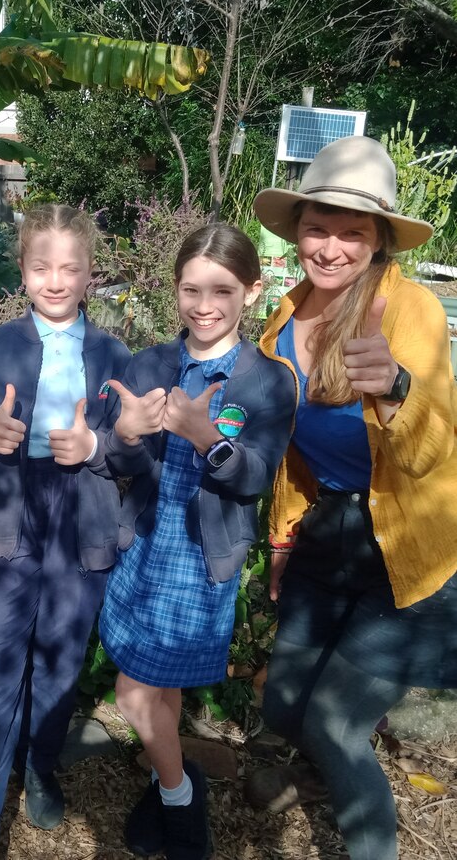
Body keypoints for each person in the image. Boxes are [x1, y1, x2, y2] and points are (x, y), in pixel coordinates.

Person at [247, 134, 457, 860]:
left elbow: (435, 455)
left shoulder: (412, 312)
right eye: (318, 226)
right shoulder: (283, 320)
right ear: (296, 227)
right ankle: (331, 778)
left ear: (378, 242)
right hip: (329, 531)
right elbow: (288, 455)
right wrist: (283, 537)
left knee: (334, 722)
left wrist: (395, 389)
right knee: (281, 703)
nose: (331, 246)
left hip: (409, 547)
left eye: (353, 231)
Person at [0, 204, 137, 860]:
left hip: (81, 519)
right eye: (41, 266)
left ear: (88, 274)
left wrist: (97, 446)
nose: (55, 280)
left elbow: (138, 450)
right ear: (22, 269)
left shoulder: (112, 353)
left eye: (70, 267)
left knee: (59, 655)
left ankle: (40, 763)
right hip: (8, 513)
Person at [98, 223, 296, 860]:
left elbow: (257, 478)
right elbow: (116, 468)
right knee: (148, 688)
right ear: (174, 289)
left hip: (200, 557)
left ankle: (180, 798)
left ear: (253, 291)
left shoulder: (268, 380)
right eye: (190, 289)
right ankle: (176, 783)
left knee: (137, 694)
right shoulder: (151, 363)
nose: (204, 304)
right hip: (144, 547)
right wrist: (125, 436)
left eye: (223, 289)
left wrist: (207, 437)